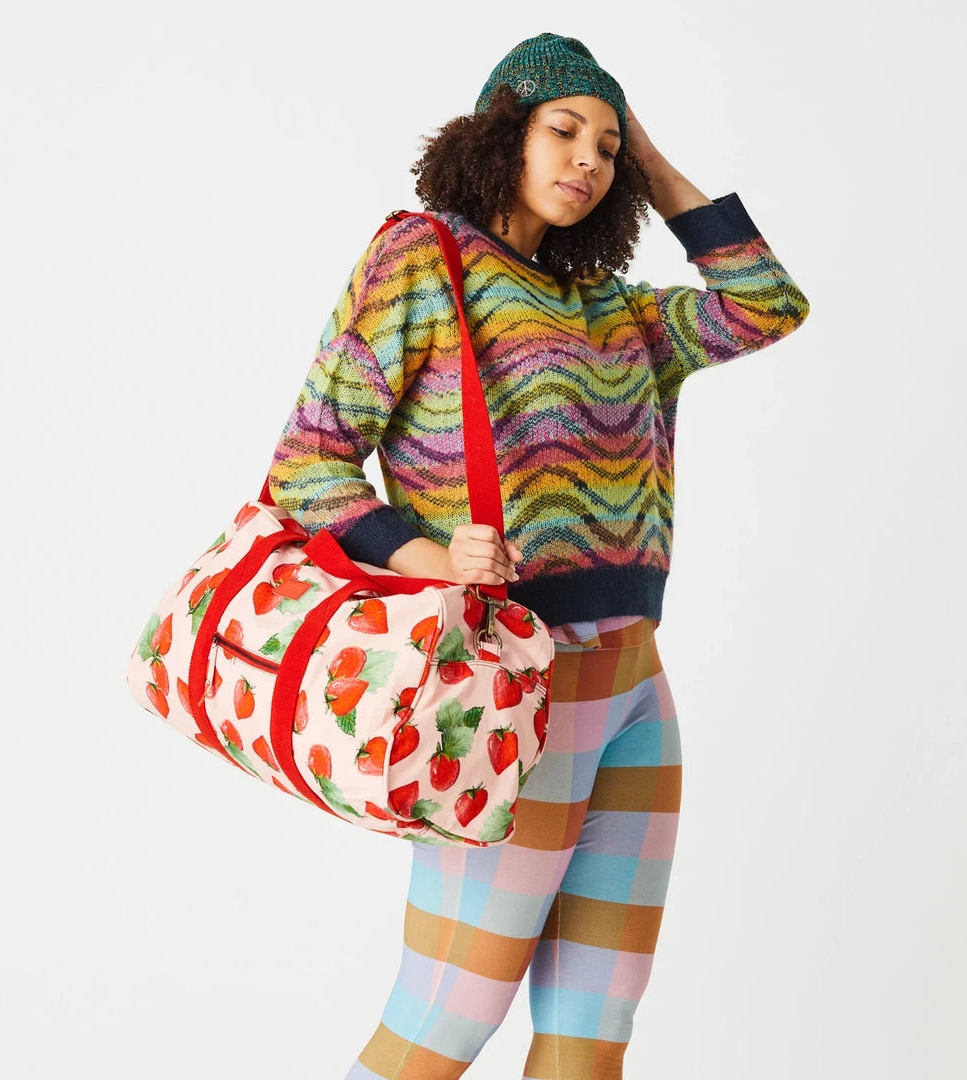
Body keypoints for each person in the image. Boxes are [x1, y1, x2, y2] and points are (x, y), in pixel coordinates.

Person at [268, 30, 810, 1080]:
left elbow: (767, 305)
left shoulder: (618, 308)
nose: (587, 160)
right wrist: (425, 554)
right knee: (441, 1028)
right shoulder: (423, 261)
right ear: (502, 134)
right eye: (564, 130)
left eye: (607, 146)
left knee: (590, 1046)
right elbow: (309, 464)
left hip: (636, 695)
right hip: (512, 695)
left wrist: (651, 161)